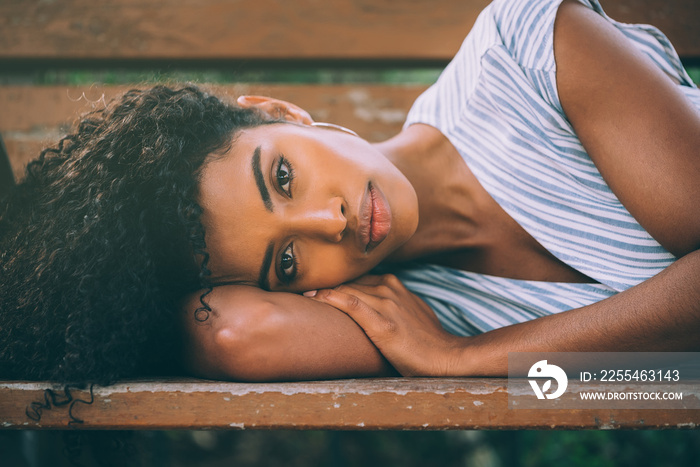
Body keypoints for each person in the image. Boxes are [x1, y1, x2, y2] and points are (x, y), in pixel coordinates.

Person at [1, 0, 698, 386]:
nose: (329, 221)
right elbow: (238, 333)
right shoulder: (412, 310)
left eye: (281, 177)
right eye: (287, 261)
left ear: (280, 113)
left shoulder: (524, 54)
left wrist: (468, 361)